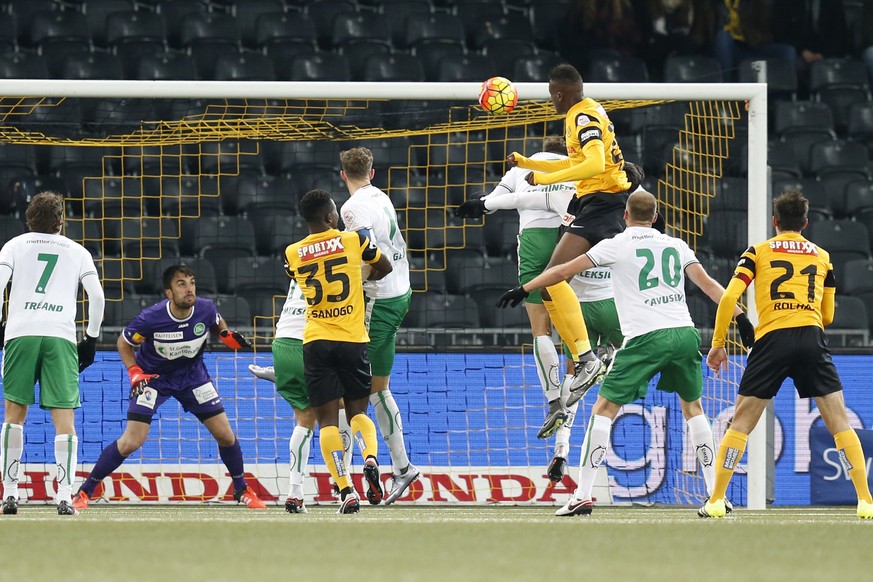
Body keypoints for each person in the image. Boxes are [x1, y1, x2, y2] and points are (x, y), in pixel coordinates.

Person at [497, 190, 755, 516]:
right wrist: (741, 317)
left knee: (603, 410)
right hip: (684, 334)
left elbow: (562, 272)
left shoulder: (616, 243)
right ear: (657, 216)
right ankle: (715, 496)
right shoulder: (676, 245)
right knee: (694, 410)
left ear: (625, 216)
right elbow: (710, 286)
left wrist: (524, 288)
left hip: (645, 337)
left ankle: (582, 495)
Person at [455, 136, 623, 477]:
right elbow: (564, 199)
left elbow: (502, 198)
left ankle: (553, 403)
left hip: (533, 240)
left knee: (540, 328)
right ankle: (594, 360)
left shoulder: (521, 167)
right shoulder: (579, 170)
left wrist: (485, 204)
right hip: (570, 240)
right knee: (578, 343)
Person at [701, 191, 873, 519]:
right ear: (805, 223)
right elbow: (829, 317)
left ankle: (716, 500)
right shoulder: (822, 256)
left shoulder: (757, 252)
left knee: (741, 423)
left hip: (772, 341)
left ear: (774, 222)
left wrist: (719, 343)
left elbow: (728, 298)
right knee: (839, 422)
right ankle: (865, 500)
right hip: (811, 336)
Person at [71, 265, 266, 511]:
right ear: (169, 293)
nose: (189, 289)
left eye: (192, 282)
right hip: (153, 379)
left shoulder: (205, 308)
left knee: (226, 436)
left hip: (192, 377)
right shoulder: (151, 317)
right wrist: (135, 372)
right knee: (132, 441)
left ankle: (242, 490)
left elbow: (217, 324)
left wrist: (226, 336)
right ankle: (84, 492)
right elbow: (123, 342)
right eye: (181, 284)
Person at [505, 63, 641, 409]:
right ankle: (589, 357)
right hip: (598, 203)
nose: (552, 102)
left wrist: (546, 179)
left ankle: (588, 358)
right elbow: (575, 163)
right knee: (553, 278)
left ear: (559, 94)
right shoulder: (590, 109)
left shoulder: (581, 118)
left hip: (603, 204)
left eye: (552, 97)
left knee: (552, 277)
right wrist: (529, 164)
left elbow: (594, 165)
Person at [284, 188, 393, 514]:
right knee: (358, 413)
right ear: (331, 216)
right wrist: (361, 272)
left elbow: (294, 277)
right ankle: (370, 458)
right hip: (352, 338)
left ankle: (346, 490)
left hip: (316, 340)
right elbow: (384, 267)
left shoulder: (292, 251)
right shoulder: (352, 240)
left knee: (328, 422)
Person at [0, 191, 105, 516]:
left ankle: (11, 494)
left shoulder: (14, 246)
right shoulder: (77, 251)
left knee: (14, 414)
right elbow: (97, 296)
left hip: (21, 333)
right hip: (60, 336)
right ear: (61, 221)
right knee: (65, 419)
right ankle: (64, 496)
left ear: (29, 218)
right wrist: (90, 339)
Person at [338, 147, 419, 504]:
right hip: (401, 292)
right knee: (375, 389)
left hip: (379, 300)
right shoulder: (380, 195)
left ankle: (352, 479)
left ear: (343, 175)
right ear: (372, 173)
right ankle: (400, 467)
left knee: (357, 390)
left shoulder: (351, 208)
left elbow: (369, 250)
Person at [248, 278, 314, 514]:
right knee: (345, 409)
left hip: (282, 341)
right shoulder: (342, 259)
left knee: (305, 418)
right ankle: (345, 488)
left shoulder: (297, 257)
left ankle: (295, 493)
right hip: (309, 342)